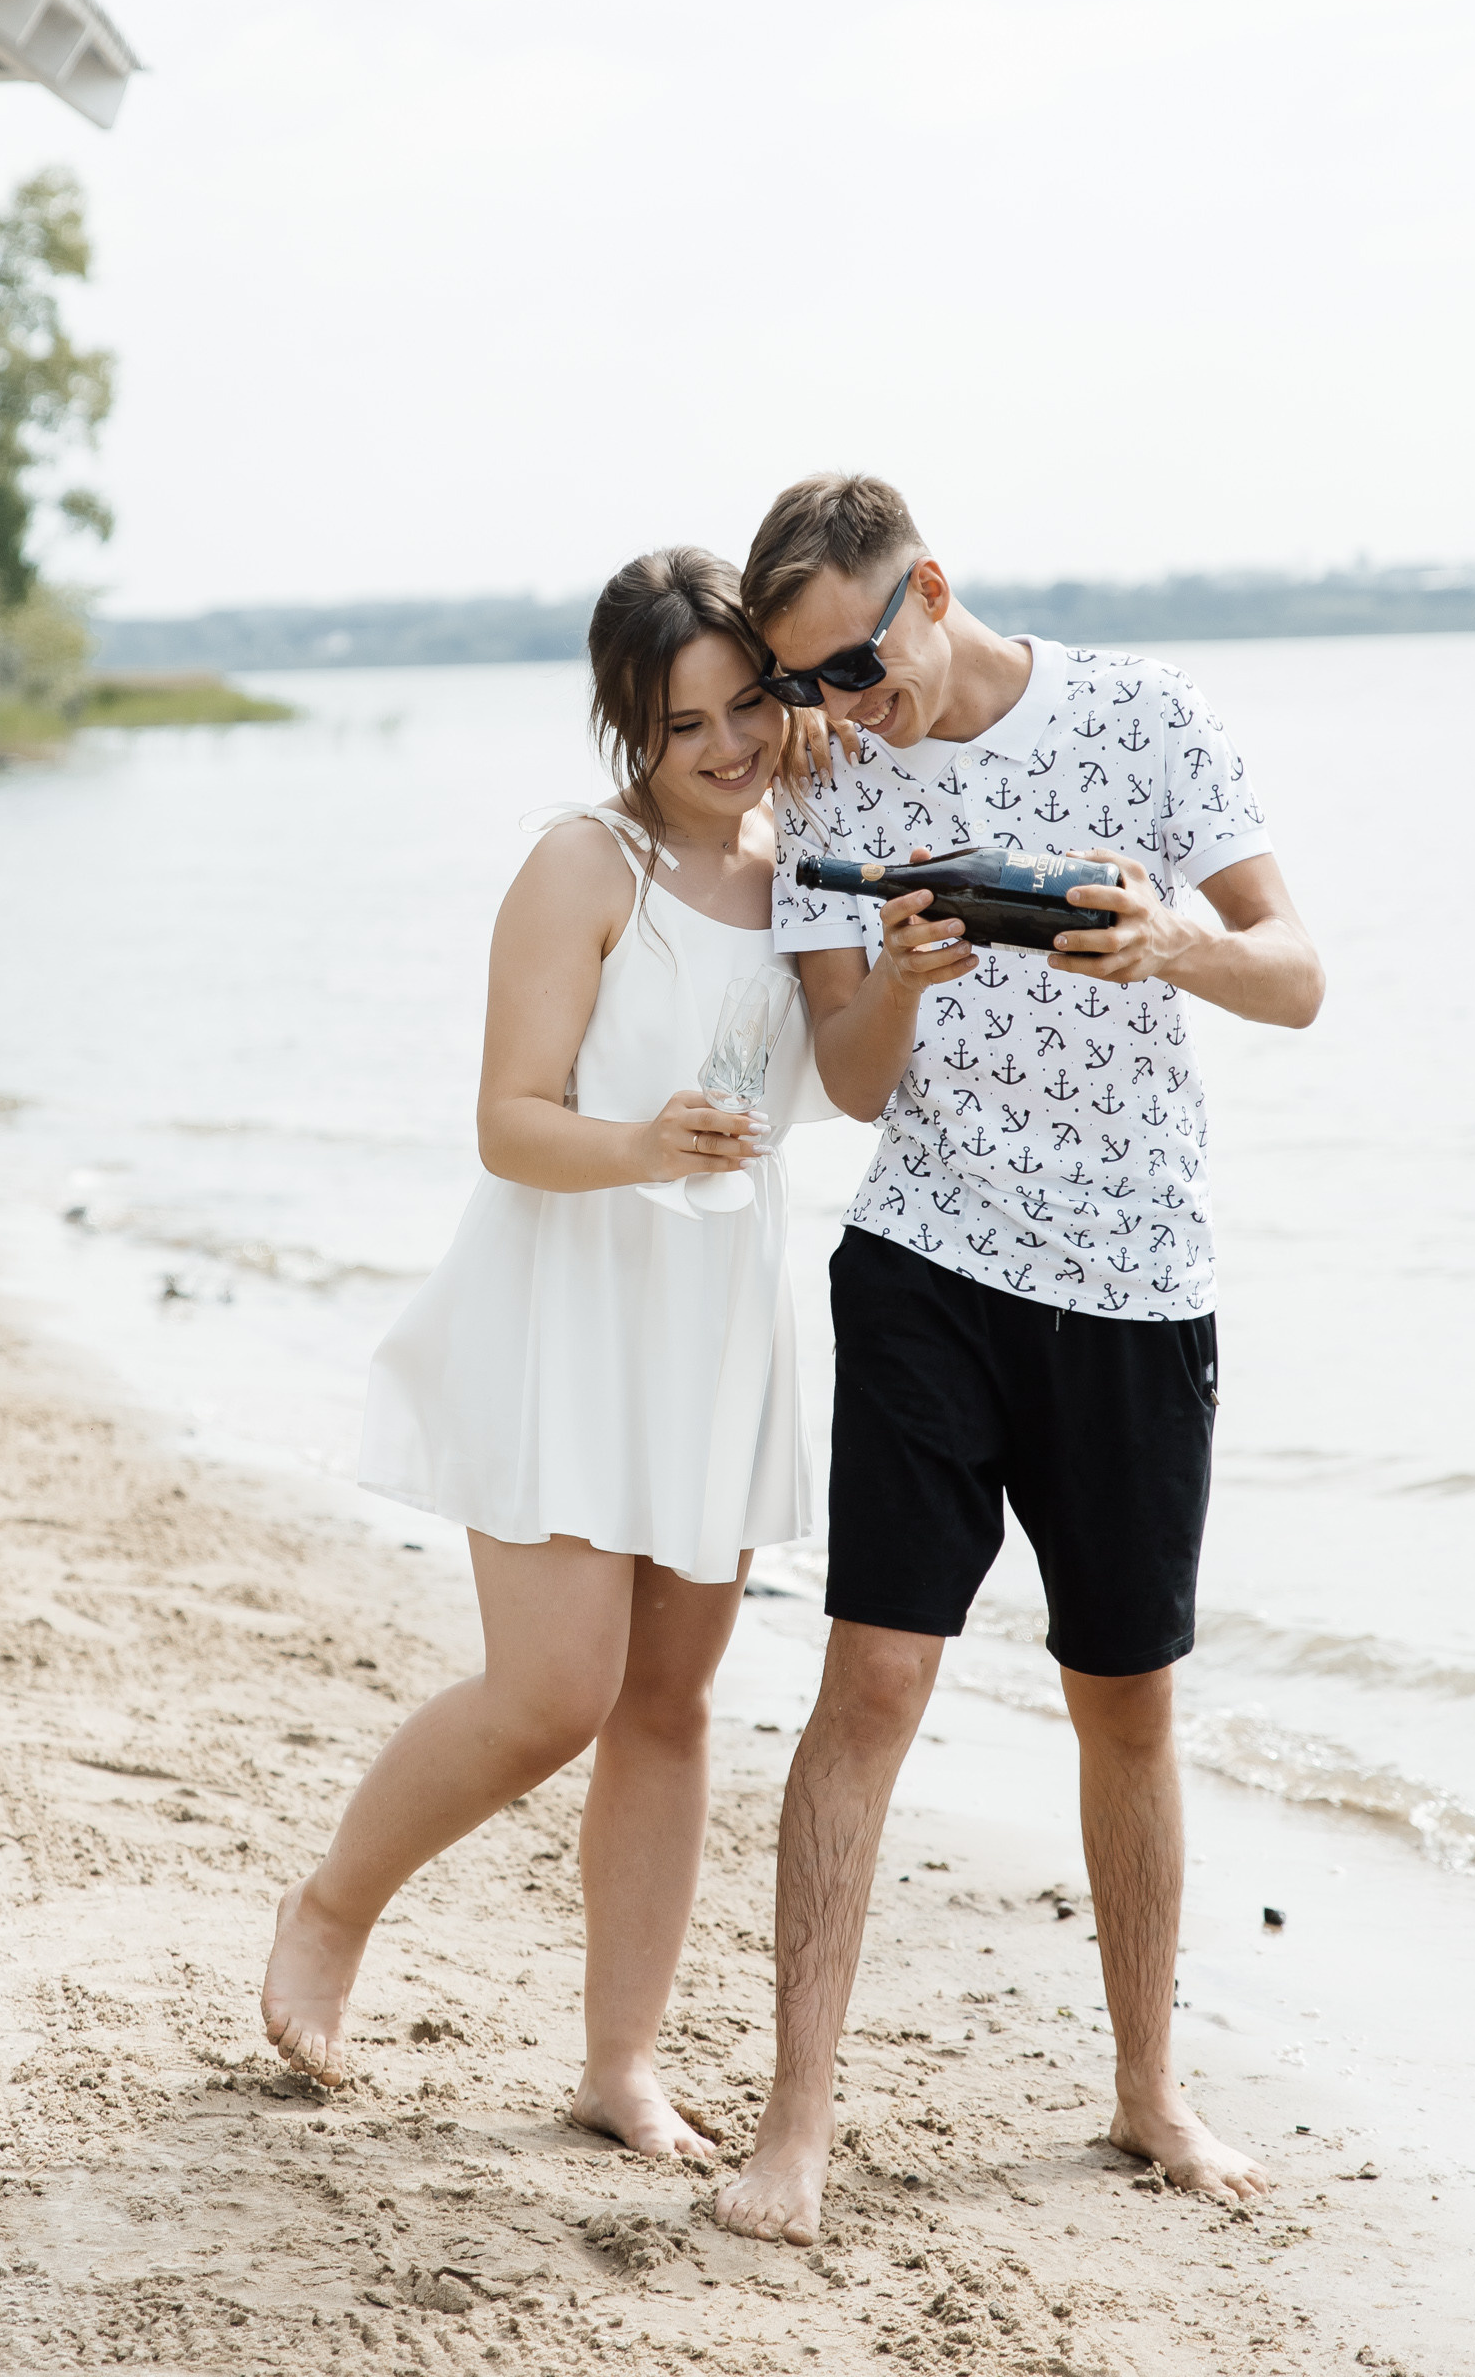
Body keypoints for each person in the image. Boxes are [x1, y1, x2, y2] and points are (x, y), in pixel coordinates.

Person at [712, 473, 1324, 2243]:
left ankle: (1147, 2095)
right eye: (803, 681)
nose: (837, 707)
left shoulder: (1147, 716)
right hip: (928, 1267)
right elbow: (848, 1084)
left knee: (1126, 1699)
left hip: (1143, 1287)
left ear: (929, 592)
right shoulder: (835, 783)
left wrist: (1181, 947)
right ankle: (795, 2130)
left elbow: (1296, 974)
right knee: (874, 1682)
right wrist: (897, 969)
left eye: (851, 664)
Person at [261, 545, 832, 2156]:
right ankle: (333, 1905)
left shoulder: (808, 863)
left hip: (714, 1318)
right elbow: (508, 1125)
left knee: (671, 1701)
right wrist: (646, 1147)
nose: (728, 749)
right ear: (631, 736)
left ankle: (618, 2065)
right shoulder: (586, 869)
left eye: (749, 708)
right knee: (553, 1693)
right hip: (568, 1305)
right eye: (684, 726)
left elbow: (842, 1079)